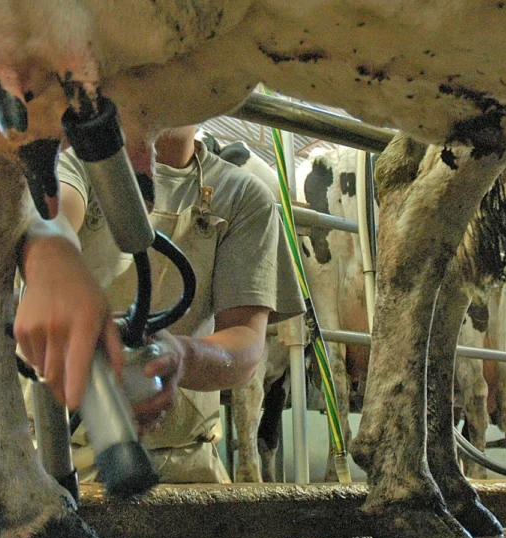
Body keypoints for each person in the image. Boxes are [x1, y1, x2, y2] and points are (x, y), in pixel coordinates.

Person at [15, 125, 305, 482]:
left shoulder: (243, 194)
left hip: (186, 466)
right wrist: (50, 263)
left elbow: (245, 341)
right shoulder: (77, 163)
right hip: (48, 458)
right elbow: (53, 217)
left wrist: (182, 355)